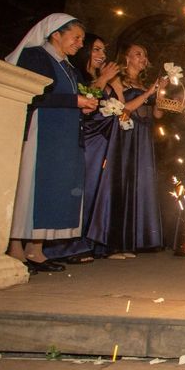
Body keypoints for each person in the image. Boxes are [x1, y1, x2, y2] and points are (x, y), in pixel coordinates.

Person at [5, 14, 98, 273]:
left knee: (52, 189)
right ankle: (15, 248)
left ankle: (36, 249)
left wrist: (86, 104)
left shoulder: (68, 66)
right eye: (76, 37)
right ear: (56, 34)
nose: (80, 43)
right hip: (42, 131)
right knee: (32, 186)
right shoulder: (35, 56)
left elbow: (78, 95)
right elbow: (32, 94)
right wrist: (76, 102)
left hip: (64, 135)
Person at [43, 34, 120, 264]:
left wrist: (114, 84)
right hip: (86, 139)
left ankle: (88, 242)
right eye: (96, 50)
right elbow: (86, 98)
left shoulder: (101, 77)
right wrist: (104, 79)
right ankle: (63, 246)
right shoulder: (78, 75)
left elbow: (120, 107)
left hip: (104, 141)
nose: (102, 55)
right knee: (78, 192)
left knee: (96, 192)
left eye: (103, 51)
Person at [88, 42, 165, 258]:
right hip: (125, 135)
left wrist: (159, 95)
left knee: (138, 186)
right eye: (137, 54)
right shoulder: (117, 80)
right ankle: (112, 244)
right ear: (127, 58)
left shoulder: (143, 83)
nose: (143, 58)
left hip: (144, 136)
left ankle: (127, 242)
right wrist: (150, 91)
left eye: (145, 54)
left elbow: (157, 115)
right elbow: (124, 109)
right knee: (120, 185)